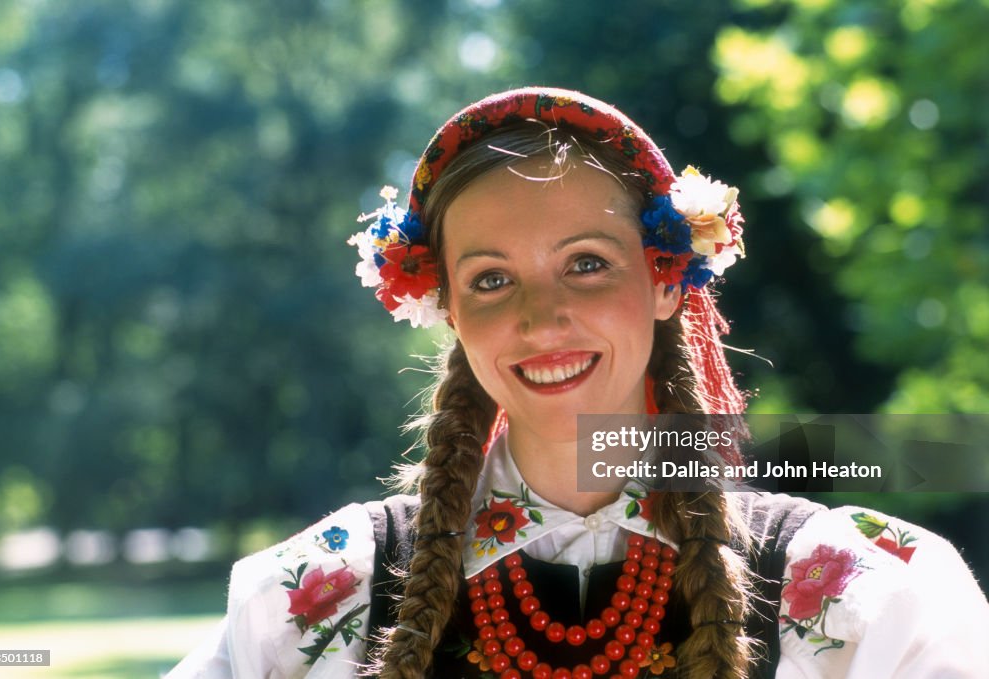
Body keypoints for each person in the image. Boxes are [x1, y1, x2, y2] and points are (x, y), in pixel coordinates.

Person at [166, 87, 988, 679]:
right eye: (491, 279)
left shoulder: (857, 597)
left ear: (667, 280)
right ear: (447, 306)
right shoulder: (321, 595)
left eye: (586, 264)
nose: (542, 317)